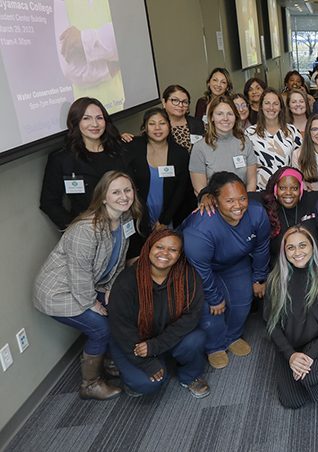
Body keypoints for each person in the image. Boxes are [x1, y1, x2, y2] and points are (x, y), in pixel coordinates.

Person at [34, 171, 143, 400]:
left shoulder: (125, 219)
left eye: (127, 190)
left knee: (120, 309)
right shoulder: (87, 229)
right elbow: (78, 272)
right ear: (103, 197)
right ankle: (90, 384)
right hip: (59, 292)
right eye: (116, 192)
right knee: (100, 328)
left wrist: (112, 288)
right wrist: (91, 303)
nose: (124, 197)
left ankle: (113, 362)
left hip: (91, 284)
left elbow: (119, 259)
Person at [181, 172, 270, 369]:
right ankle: (215, 346)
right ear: (214, 200)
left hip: (235, 262)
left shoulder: (256, 213)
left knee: (243, 301)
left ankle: (233, 336)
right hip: (202, 269)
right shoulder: (200, 228)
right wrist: (214, 297)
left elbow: (261, 246)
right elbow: (200, 268)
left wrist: (259, 277)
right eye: (229, 200)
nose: (238, 206)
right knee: (213, 310)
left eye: (242, 198)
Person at [108, 229, 209, 398]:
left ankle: (189, 376)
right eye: (159, 247)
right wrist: (147, 363)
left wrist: (156, 345)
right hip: (133, 343)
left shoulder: (188, 276)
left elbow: (191, 317)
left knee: (196, 339)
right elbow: (122, 330)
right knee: (146, 383)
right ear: (148, 248)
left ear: (180, 255)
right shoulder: (127, 281)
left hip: (164, 337)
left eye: (173, 250)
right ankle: (135, 373)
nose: (165, 253)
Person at [263, 226, 318, 408]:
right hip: (291, 345)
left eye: (302, 245)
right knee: (291, 402)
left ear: (312, 247)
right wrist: (290, 356)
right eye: (291, 247)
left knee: (311, 379)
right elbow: (270, 323)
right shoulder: (275, 279)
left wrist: (310, 356)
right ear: (284, 251)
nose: (297, 252)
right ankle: (307, 369)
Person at [40, 97, 129, 230]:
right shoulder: (62, 159)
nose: (95, 124)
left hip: (123, 226)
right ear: (76, 122)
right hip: (88, 231)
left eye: (99, 118)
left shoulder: (120, 149)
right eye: (86, 118)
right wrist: (76, 229)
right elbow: (49, 203)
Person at [125, 108, 191, 256]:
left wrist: (164, 220)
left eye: (162, 123)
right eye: (152, 124)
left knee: (165, 254)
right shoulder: (133, 147)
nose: (157, 128)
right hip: (138, 214)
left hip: (168, 215)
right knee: (140, 255)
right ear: (145, 128)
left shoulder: (179, 153)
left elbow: (180, 190)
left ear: (169, 126)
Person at [189, 96, 257, 195]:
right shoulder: (200, 147)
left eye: (230, 114)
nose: (225, 118)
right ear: (211, 117)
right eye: (220, 114)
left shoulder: (245, 142)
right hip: (213, 205)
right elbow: (200, 189)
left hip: (242, 203)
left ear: (235, 116)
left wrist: (246, 202)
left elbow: (251, 181)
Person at [260, 167, 318, 266]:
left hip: (312, 265)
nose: (288, 193)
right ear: (275, 189)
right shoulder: (266, 209)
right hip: (279, 269)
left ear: (301, 189)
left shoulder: (314, 201)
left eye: (294, 188)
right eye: (282, 188)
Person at [246, 88, 302, 191]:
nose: (271, 107)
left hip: (287, 192)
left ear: (281, 107)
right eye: (267, 103)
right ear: (261, 107)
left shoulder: (292, 131)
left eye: (275, 103)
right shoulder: (249, 133)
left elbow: (301, 163)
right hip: (260, 191)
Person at [159, 85, 205, 151]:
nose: (180, 105)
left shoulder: (199, 124)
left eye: (185, 102)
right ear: (164, 102)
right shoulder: (156, 126)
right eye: (175, 100)